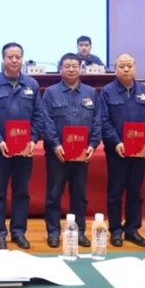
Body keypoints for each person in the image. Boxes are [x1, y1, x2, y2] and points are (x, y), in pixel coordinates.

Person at [0, 42, 44, 250]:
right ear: (3, 59)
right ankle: (0, 232)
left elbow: (38, 116)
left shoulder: (32, 84)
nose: (14, 60)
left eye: (18, 57)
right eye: (10, 57)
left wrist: (32, 140)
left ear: (22, 59)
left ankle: (19, 232)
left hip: (24, 150)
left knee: (22, 192)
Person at [99, 53, 145, 248]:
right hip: (117, 151)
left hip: (139, 150)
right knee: (115, 192)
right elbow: (103, 121)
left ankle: (132, 228)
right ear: (115, 69)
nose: (126, 69)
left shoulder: (144, 90)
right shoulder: (107, 92)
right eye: (121, 66)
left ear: (135, 67)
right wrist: (116, 142)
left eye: (129, 66)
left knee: (135, 191)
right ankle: (116, 230)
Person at [41, 53, 101, 249]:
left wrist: (93, 145)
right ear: (60, 69)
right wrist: (55, 144)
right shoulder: (50, 93)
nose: (71, 69)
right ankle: (53, 232)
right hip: (57, 154)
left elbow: (97, 121)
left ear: (80, 69)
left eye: (75, 66)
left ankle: (79, 232)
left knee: (79, 195)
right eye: (67, 66)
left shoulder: (91, 93)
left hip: (82, 154)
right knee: (54, 194)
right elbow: (46, 121)